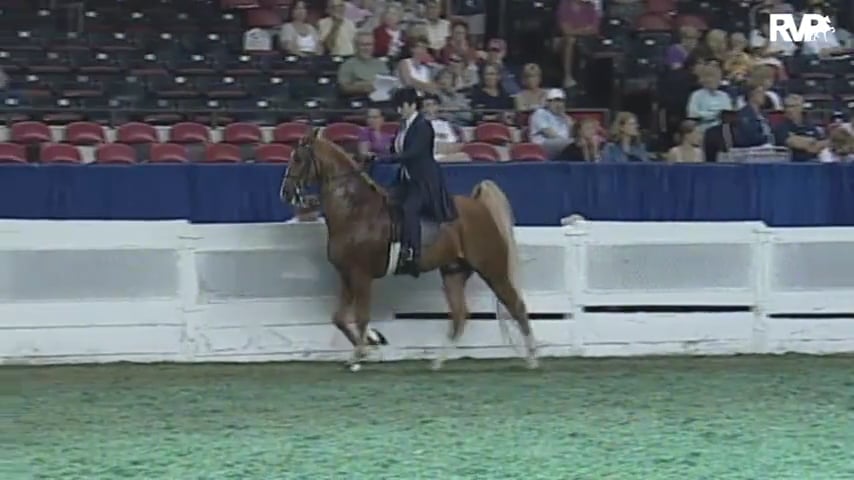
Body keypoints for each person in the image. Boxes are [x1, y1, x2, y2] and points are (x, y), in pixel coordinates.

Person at [373, 87, 458, 277]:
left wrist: (386, 159)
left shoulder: (423, 126)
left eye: (401, 106)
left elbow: (413, 153)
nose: (398, 110)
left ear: (411, 105)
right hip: (406, 179)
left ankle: (413, 252)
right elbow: (395, 149)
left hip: (423, 181)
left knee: (409, 208)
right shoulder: (403, 127)